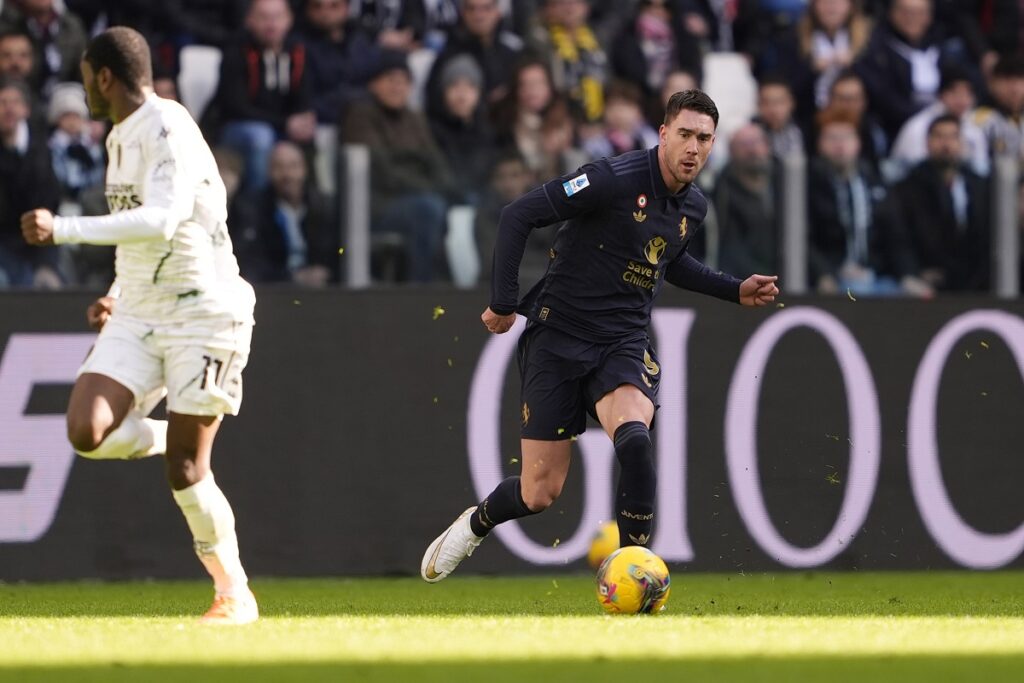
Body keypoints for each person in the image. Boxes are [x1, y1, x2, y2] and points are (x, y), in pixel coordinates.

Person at [420, 89, 780, 582]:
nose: (694, 148)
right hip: (558, 335)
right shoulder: (611, 178)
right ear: (663, 134)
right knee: (539, 492)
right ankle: (476, 524)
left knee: (634, 440)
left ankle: (633, 573)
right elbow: (518, 215)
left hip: (622, 341)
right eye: (685, 135)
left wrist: (734, 289)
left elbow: (668, 260)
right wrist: (504, 303)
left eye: (704, 139)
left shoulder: (693, 206)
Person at [20, 27, 259, 624]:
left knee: (187, 470)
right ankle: (170, 429)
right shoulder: (119, 136)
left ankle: (234, 592)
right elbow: (144, 237)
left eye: (85, 79)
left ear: (103, 77)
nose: (84, 92)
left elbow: (163, 220)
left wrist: (65, 228)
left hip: (205, 311)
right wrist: (117, 291)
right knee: (85, 430)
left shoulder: (168, 127)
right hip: (143, 310)